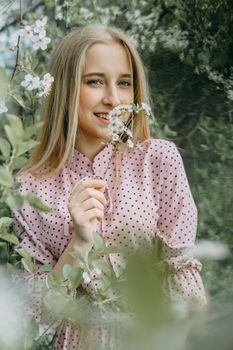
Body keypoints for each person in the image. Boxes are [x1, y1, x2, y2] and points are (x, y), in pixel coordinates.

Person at [13, 24, 207, 349]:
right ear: (65, 88)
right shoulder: (29, 187)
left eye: (124, 83)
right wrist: (79, 243)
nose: (113, 99)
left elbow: (182, 272)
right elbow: (36, 314)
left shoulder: (157, 160)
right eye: (95, 82)